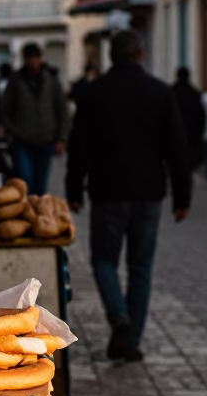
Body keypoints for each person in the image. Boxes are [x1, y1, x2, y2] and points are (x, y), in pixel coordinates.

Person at [66, 30, 191, 361]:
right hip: (149, 192)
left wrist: (74, 187)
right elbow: (177, 147)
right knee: (141, 266)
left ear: (111, 56)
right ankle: (131, 339)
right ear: (141, 54)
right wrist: (183, 196)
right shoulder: (160, 92)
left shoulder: (95, 92)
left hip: (108, 190)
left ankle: (118, 315)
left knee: (103, 260)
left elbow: (79, 144)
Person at [0, 43, 69, 195]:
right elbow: (4, 110)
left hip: (46, 139)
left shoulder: (51, 81)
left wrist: (62, 138)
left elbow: (61, 110)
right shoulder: (15, 81)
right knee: (25, 180)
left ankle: (37, 209)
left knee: (40, 184)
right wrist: (13, 131)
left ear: (40, 59)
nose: (32, 63)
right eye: (29, 59)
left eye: (35, 58)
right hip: (22, 141)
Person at [171, 66, 205, 171]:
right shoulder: (194, 93)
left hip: (174, 133)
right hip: (191, 135)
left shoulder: (171, 92)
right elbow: (201, 115)